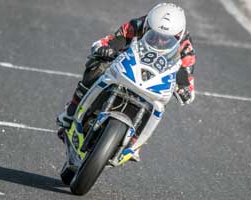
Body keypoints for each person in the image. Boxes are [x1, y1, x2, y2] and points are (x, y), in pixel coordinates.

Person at [56, 3, 196, 159]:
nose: (160, 40)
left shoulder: (185, 47)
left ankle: (135, 141)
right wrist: (105, 48)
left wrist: (185, 90)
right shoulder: (136, 25)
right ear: (148, 25)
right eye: (154, 33)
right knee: (98, 63)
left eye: (167, 38)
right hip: (127, 66)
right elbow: (109, 41)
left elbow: (187, 76)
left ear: (179, 35)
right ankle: (72, 110)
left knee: (162, 100)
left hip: (154, 79)